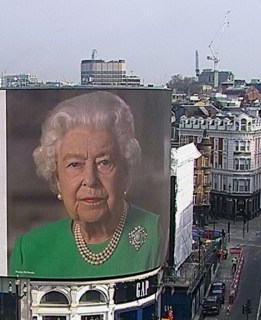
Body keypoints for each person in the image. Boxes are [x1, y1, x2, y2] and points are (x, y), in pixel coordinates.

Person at [9, 92, 163, 279]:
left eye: (104, 162)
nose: (90, 179)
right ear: (57, 178)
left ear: (125, 171)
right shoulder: (29, 249)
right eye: (75, 164)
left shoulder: (157, 235)